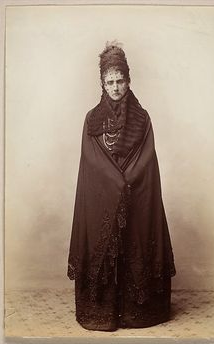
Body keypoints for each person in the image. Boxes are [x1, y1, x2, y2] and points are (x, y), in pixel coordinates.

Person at [67, 42, 176, 331]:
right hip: (103, 198)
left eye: (120, 81)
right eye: (110, 82)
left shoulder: (143, 119)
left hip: (136, 195)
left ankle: (138, 313)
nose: (115, 87)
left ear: (129, 80)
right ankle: (102, 313)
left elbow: (146, 157)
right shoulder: (92, 119)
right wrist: (115, 183)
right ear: (102, 83)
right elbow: (91, 160)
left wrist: (126, 182)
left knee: (136, 243)